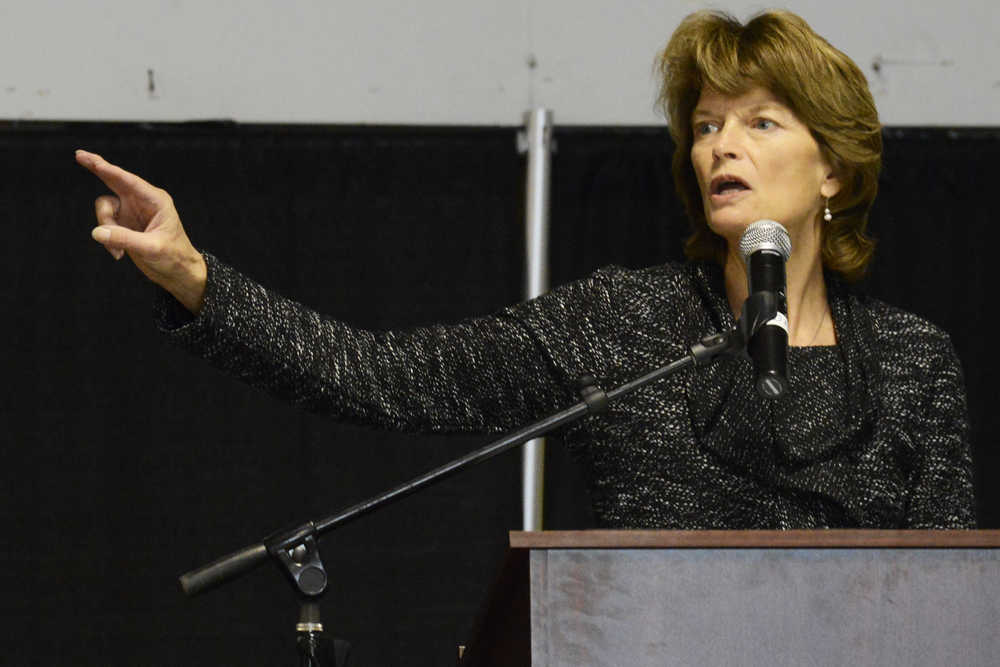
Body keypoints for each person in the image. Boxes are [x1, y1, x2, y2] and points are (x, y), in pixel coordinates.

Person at [76, 9, 975, 529]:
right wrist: (198, 279)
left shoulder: (911, 360)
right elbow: (387, 377)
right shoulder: (626, 325)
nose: (720, 148)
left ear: (835, 169)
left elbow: (947, 612)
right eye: (705, 126)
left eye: (760, 122)